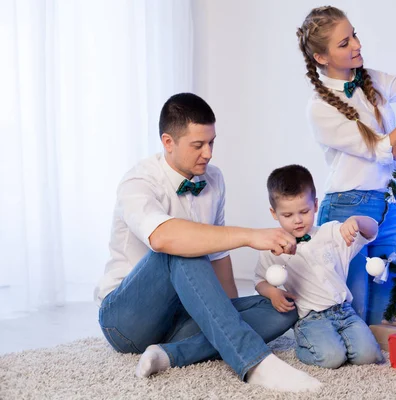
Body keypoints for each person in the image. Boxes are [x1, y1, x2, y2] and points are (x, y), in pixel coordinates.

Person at [94, 93, 321, 393]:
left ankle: (170, 355)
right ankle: (254, 363)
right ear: (168, 142)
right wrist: (252, 236)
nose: (208, 153)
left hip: (182, 318)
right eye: (198, 145)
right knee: (180, 249)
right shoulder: (137, 183)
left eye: (212, 142)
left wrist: (224, 312)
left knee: (285, 307)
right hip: (127, 321)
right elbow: (163, 238)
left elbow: (219, 255)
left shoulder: (214, 179)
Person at [296, 6, 396, 325]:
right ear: (321, 58)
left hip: (386, 207)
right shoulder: (320, 108)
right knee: (352, 316)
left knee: (383, 318)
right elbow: (388, 148)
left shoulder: (372, 80)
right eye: (344, 43)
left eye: (354, 35)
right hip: (347, 210)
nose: (356, 44)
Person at [254, 164, 384, 369]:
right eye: (287, 215)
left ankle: (342, 342)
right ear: (274, 213)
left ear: (315, 205)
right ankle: (304, 343)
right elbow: (260, 281)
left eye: (304, 211)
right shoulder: (272, 247)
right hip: (311, 318)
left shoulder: (331, 233)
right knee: (332, 358)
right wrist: (272, 293)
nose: (297, 220)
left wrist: (356, 220)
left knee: (369, 356)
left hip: (345, 312)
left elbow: (372, 230)